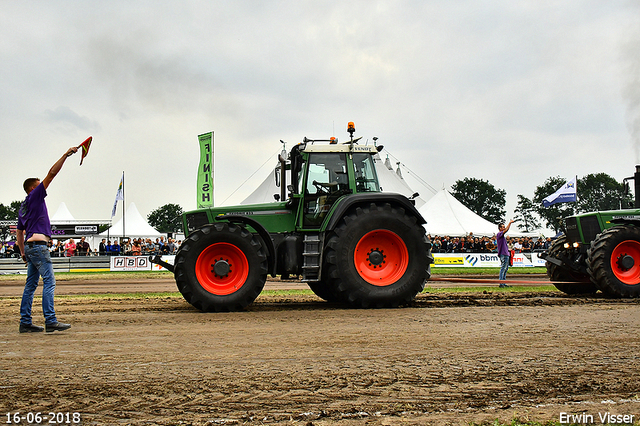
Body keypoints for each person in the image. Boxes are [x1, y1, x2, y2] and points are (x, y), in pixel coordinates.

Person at [16, 146, 78, 333]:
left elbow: (19, 233)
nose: (42, 185)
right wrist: (66, 155)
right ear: (33, 189)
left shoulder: (22, 207)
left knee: (31, 286)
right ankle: (50, 320)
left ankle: (25, 322)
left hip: (29, 247)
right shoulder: (35, 196)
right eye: (39, 183)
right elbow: (51, 174)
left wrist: (22, 253)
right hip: (39, 246)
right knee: (49, 282)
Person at [497, 219, 515, 287]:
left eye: (504, 227)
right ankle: (501, 283)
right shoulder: (499, 234)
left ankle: (503, 282)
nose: (504, 228)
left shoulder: (502, 236)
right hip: (503, 254)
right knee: (503, 268)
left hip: (506, 253)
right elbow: (506, 230)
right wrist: (510, 223)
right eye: (503, 227)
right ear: (500, 228)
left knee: (505, 268)